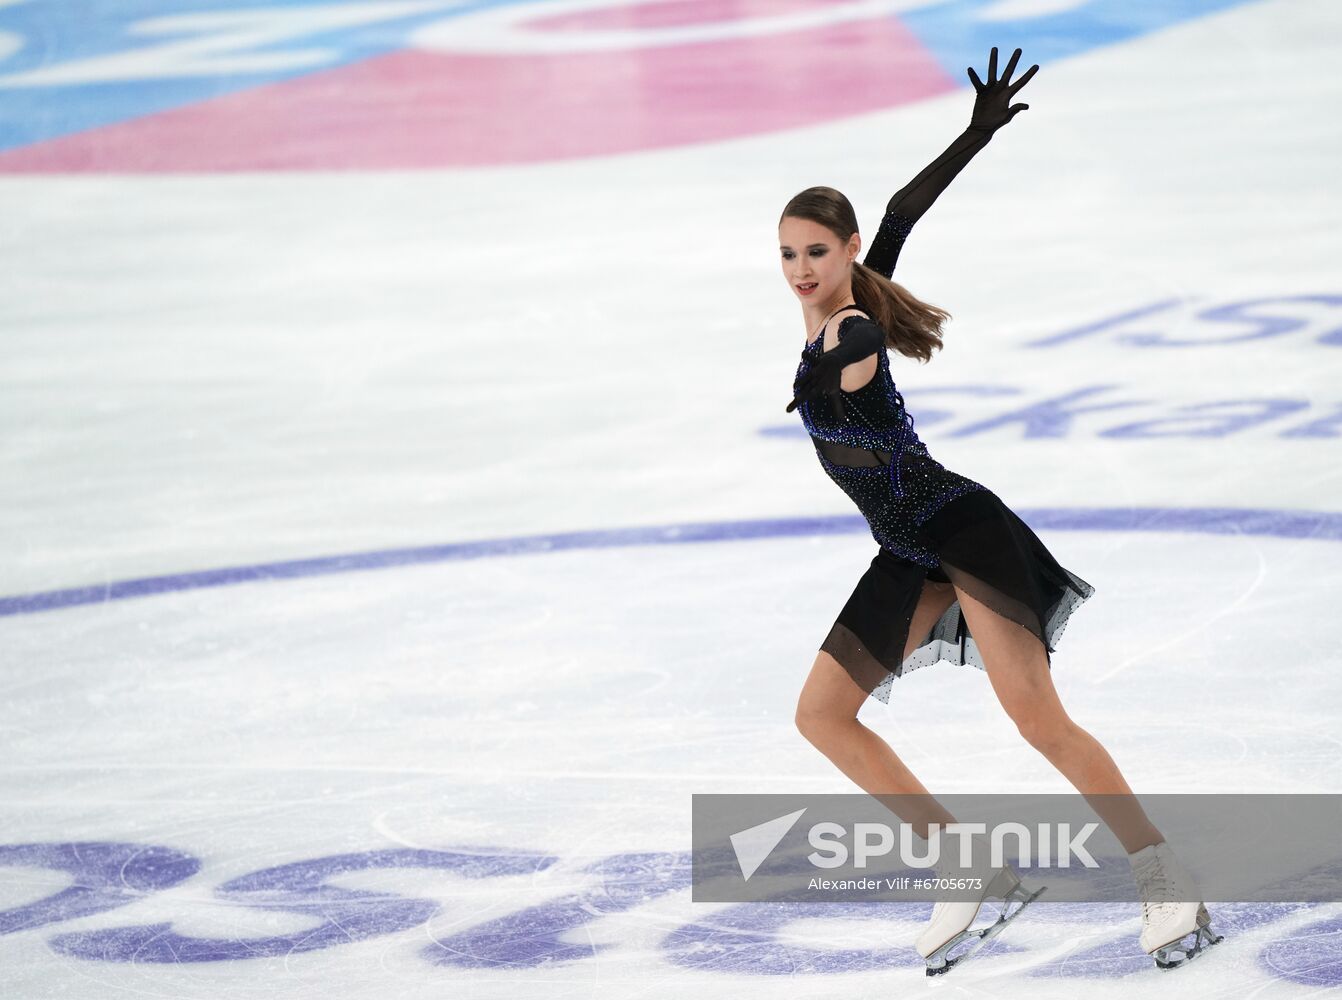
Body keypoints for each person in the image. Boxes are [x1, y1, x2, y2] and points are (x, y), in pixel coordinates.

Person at [780, 46, 1223, 975]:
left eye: (816, 252)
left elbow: (857, 330)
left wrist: (826, 357)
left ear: (846, 252)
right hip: (906, 549)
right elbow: (903, 210)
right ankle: (965, 868)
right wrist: (972, 134)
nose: (799, 269)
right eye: (787, 254)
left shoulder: (853, 324)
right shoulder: (845, 295)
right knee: (822, 714)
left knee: (1037, 720)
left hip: (959, 528)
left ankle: (1163, 874)